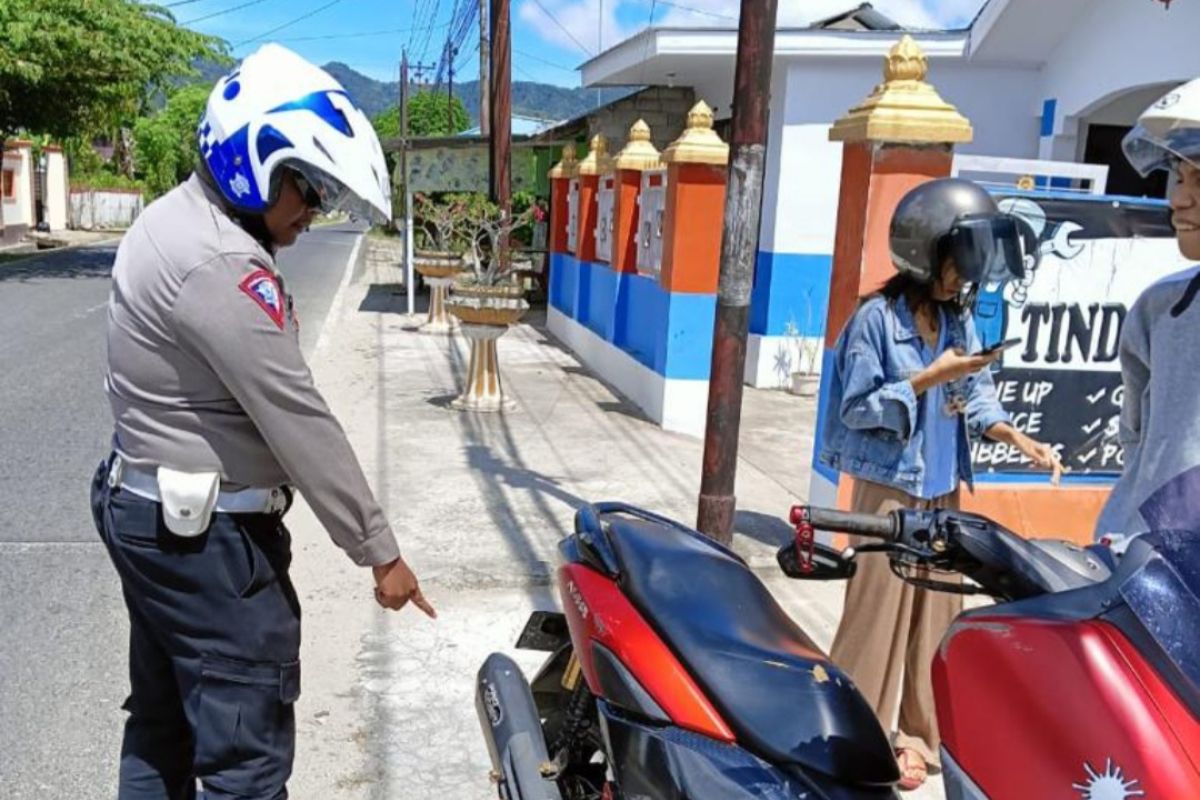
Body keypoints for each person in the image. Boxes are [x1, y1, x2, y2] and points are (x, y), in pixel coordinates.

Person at [91, 44, 434, 799]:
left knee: (162, 725)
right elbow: (298, 420)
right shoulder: (219, 264)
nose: (313, 214)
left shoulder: (173, 218)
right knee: (245, 761)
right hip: (207, 549)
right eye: (308, 191)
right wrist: (380, 552)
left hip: (149, 510)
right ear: (258, 166)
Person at [819, 178, 1064, 791]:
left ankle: (918, 744)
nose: (964, 277)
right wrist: (926, 379)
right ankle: (858, 737)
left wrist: (1019, 440)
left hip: (942, 490)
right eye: (958, 263)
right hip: (888, 492)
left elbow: (975, 393)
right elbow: (856, 407)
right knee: (876, 619)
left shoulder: (958, 321)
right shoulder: (875, 320)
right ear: (925, 254)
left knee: (935, 619)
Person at [1095, 77, 1200, 545]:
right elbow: (1137, 446)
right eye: (1179, 175)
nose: (1178, 198)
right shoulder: (1161, 309)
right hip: (1152, 568)